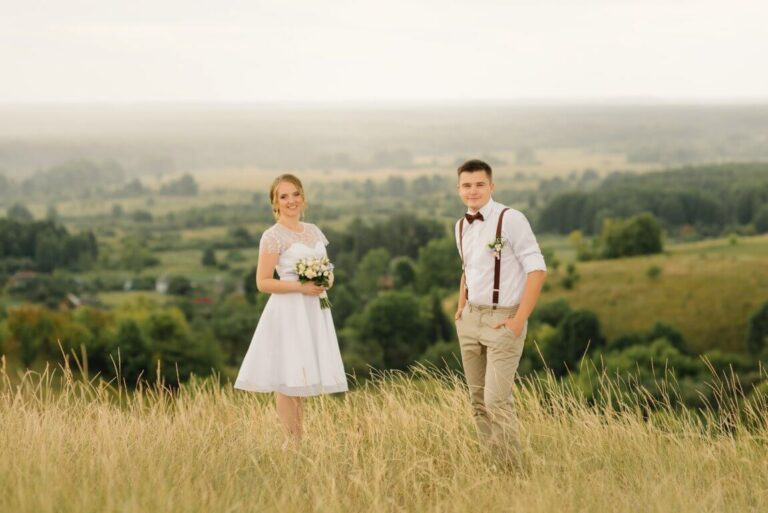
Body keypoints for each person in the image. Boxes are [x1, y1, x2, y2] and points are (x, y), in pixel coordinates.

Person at [234, 174, 348, 441]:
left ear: (303, 197)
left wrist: (325, 280)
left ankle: (300, 437)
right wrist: (301, 287)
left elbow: (328, 269)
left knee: (302, 372)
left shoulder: (314, 231)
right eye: (283, 196)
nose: (291, 201)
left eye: (295, 194)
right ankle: (292, 441)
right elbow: (262, 282)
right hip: (288, 311)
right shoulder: (272, 236)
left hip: (313, 310)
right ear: (275, 203)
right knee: (287, 376)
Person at [453, 159, 547, 467]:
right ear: (459, 190)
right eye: (467, 185)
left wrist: (519, 320)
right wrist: (460, 306)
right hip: (470, 320)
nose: (473, 190)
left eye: (480, 184)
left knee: (496, 400)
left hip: (503, 320)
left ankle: (514, 472)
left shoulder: (511, 219)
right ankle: (494, 466)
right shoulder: (460, 226)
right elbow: (468, 269)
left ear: (491, 186)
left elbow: (537, 269)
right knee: (478, 403)